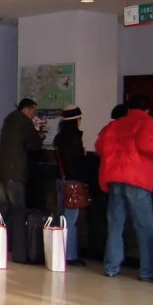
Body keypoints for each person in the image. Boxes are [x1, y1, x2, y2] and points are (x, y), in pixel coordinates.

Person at [95, 94, 153, 281]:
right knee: (145, 227)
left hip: (114, 178)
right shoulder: (146, 121)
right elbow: (145, 143)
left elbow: (100, 147)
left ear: (128, 109)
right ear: (147, 110)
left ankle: (111, 267)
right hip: (136, 179)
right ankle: (147, 271)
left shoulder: (114, 125)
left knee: (115, 225)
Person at [0, 98, 45, 223]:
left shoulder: (9, 119)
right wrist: (40, 137)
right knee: (18, 209)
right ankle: (16, 234)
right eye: (33, 111)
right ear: (26, 110)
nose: (33, 115)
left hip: (1, 170)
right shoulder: (24, 121)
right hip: (15, 171)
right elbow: (34, 143)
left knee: (3, 207)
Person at [53, 105, 87, 266]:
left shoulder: (59, 137)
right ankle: (70, 256)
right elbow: (77, 161)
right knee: (71, 220)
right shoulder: (75, 138)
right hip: (73, 182)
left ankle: (57, 251)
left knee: (61, 217)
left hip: (61, 179)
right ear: (77, 119)